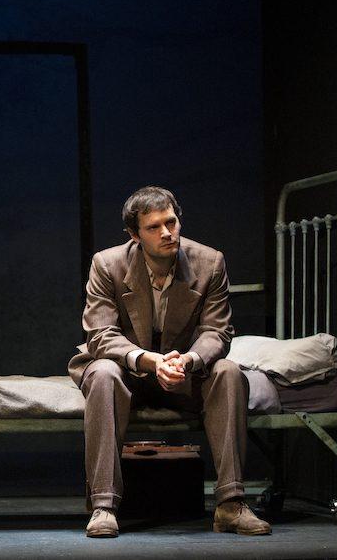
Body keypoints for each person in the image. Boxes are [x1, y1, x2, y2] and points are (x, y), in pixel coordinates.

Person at [68, 186, 270, 537]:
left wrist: (188, 361)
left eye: (171, 222)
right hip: (128, 372)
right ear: (134, 235)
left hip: (181, 373)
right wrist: (149, 361)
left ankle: (231, 503)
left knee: (228, 371)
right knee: (102, 372)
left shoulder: (209, 262)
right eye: (154, 227)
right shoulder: (108, 264)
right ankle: (104, 506)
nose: (167, 232)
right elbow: (100, 334)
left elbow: (217, 331)